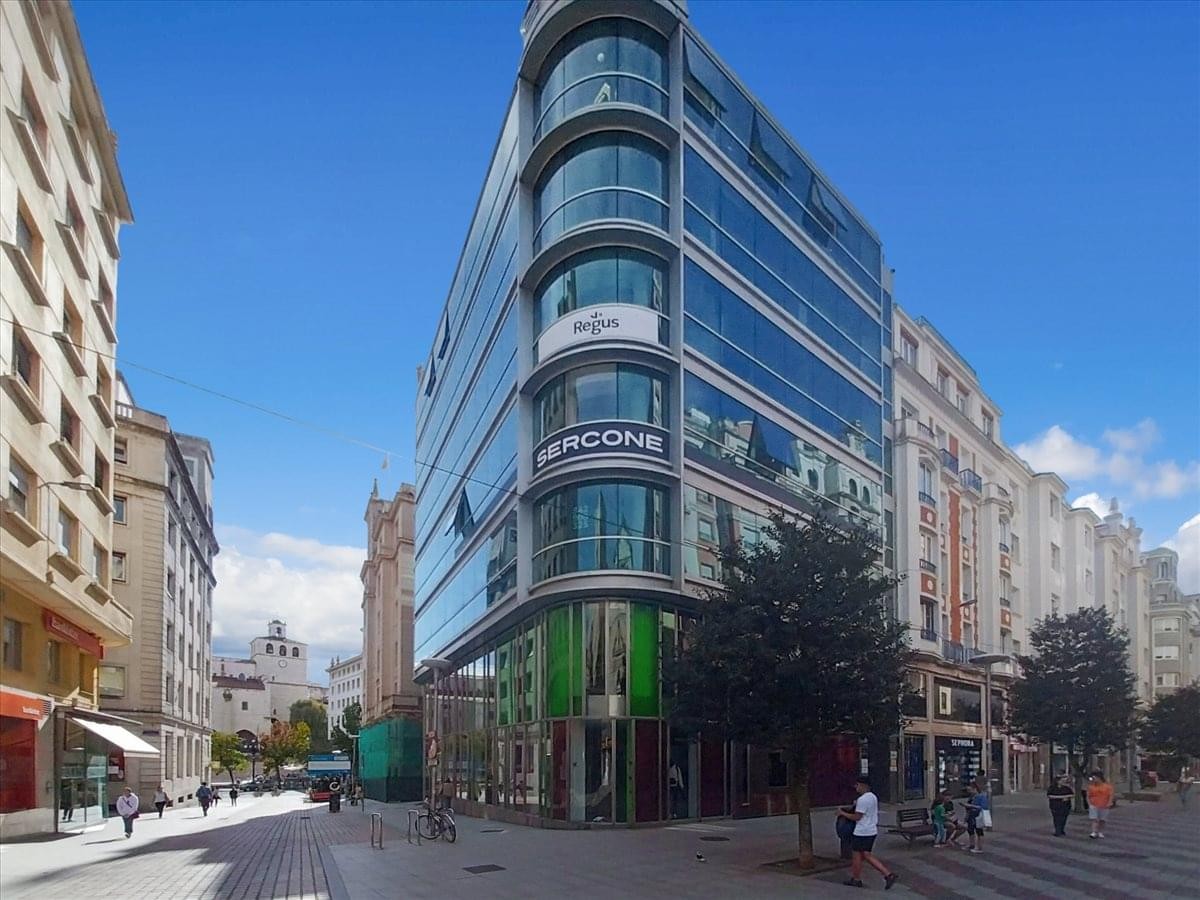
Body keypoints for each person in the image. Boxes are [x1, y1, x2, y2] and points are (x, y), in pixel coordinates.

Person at [836, 776, 898, 890]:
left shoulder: (862, 800)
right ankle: (856, 878)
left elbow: (857, 817)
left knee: (863, 855)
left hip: (862, 831)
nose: (856, 787)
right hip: (871, 830)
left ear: (863, 786)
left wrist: (842, 813)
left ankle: (887, 874)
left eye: (857, 785)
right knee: (861, 855)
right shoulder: (873, 797)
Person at [1086, 770, 1113, 839]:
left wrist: (1109, 803)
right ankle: (1094, 832)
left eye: (1094, 778)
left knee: (1102, 820)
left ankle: (1100, 832)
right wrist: (1089, 804)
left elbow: (1110, 795)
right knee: (1094, 819)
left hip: (1104, 805)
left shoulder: (1107, 786)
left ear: (1099, 778)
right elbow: (1088, 796)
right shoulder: (1091, 787)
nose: (1093, 779)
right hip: (1094, 805)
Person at [964, 783, 985, 852]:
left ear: (975, 789)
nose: (969, 792)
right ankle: (971, 844)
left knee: (978, 830)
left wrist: (971, 806)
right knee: (970, 830)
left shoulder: (981, 796)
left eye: (970, 790)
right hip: (971, 815)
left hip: (977, 815)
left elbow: (982, 807)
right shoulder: (971, 797)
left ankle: (979, 847)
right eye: (968, 790)